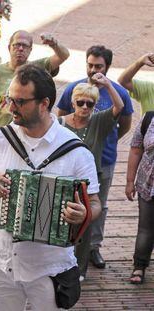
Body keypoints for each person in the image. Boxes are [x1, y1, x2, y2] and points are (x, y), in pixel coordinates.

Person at [0, 64, 101, 310]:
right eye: (10, 99)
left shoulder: (76, 151)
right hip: (1, 261)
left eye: (20, 102)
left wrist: (84, 213)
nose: (11, 107)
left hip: (50, 266)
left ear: (44, 103)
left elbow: (94, 202)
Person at [57, 45, 134, 269]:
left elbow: (125, 124)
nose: (93, 70)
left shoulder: (117, 92)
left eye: (98, 66)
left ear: (107, 67)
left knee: (98, 205)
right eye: (90, 65)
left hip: (104, 159)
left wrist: (104, 141)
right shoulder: (74, 87)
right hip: (71, 166)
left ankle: (93, 247)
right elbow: (62, 118)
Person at [0, 30, 70, 129]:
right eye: (17, 45)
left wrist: (54, 44)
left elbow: (63, 56)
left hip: (27, 134)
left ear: (30, 50)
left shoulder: (37, 68)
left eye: (25, 46)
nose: (20, 49)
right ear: (9, 47)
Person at [125, 113, 154, 285]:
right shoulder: (148, 119)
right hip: (147, 184)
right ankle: (139, 266)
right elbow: (136, 150)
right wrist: (130, 181)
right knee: (145, 228)